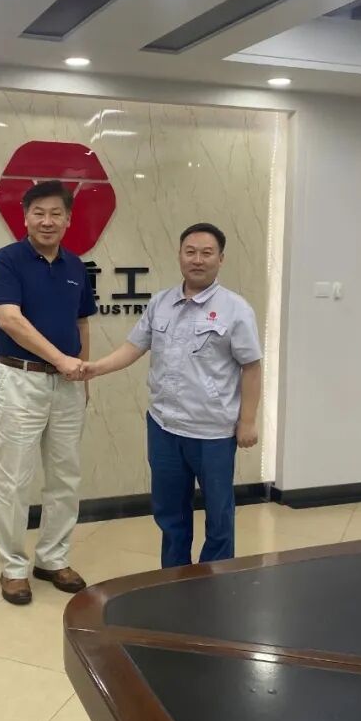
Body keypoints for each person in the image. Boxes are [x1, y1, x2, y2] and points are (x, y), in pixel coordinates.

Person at [82, 223, 262, 568]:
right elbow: (134, 347)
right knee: (169, 514)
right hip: (164, 426)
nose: (198, 260)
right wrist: (96, 368)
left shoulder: (236, 309)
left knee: (219, 515)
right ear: (179, 255)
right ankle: (173, 579)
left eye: (207, 253)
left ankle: (216, 581)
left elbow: (251, 367)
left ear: (221, 259)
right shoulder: (161, 302)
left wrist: (248, 421)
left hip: (212, 431)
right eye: (190, 252)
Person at [0, 180, 95, 605]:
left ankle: (52, 558)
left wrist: (82, 373)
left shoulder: (76, 266)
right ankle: (13, 567)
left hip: (67, 385)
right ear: (25, 217)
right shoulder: (6, 261)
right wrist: (61, 359)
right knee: (15, 479)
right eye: (39, 213)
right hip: (20, 379)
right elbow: (10, 320)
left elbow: (82, 323)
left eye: (56, 214)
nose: (47, 221)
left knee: (65, 475)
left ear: (68, 219)